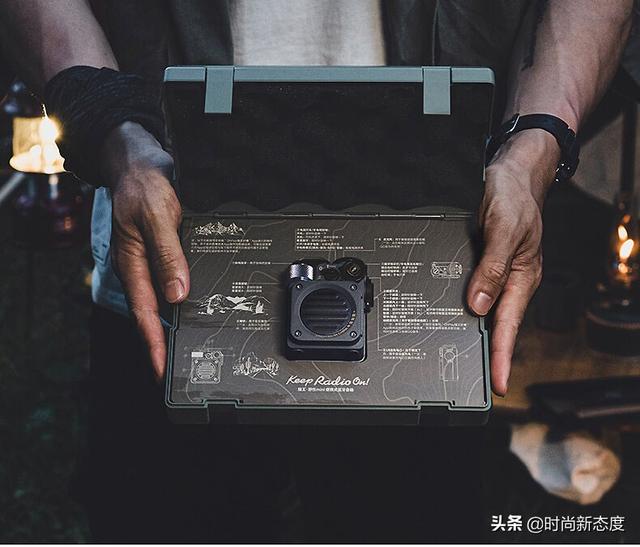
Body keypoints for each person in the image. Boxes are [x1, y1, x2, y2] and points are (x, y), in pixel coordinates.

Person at [0, 0, 633, 541]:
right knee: (169, 516)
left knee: (415, 517)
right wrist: (115, 130)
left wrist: (535, 144)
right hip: (173, 236)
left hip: (428, 261)